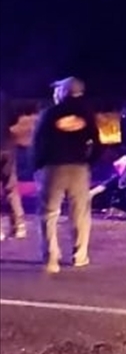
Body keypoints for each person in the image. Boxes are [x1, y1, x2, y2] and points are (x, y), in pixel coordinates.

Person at [31, 76, 99, 273]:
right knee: (80, 214)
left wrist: (38, 167)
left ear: (63, 92)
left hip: (53, 169)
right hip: (78, 169)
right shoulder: (87, 115)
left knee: (49, 214)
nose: (55, 93)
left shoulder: (49, 113)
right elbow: (97, 142)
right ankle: (80, 256)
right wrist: (89, 162)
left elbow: (38, 143)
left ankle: (51, 258)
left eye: (57, 89)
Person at [1, 103, 30, 241]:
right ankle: (19, 226)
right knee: (11, 186)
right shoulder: (3, 97)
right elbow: (14, 120)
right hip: (7, 145)